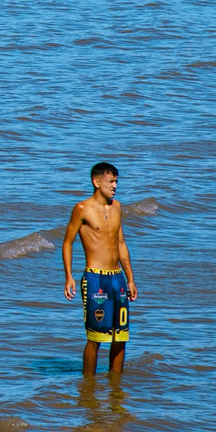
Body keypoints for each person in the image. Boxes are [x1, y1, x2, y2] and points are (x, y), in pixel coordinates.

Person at [61, 161, 137, 376]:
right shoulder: (82, 208)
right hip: (95, 279)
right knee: (96, 338)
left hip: (117, 278)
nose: (115, 185)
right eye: (110, 181)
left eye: (116, 181)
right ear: (96, 182)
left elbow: (121, 243)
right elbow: (67, 242)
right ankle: (89, 386)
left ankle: (116, 388)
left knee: (120, 337)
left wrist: (130, 278)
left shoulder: (118, 207)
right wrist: (69, 276)